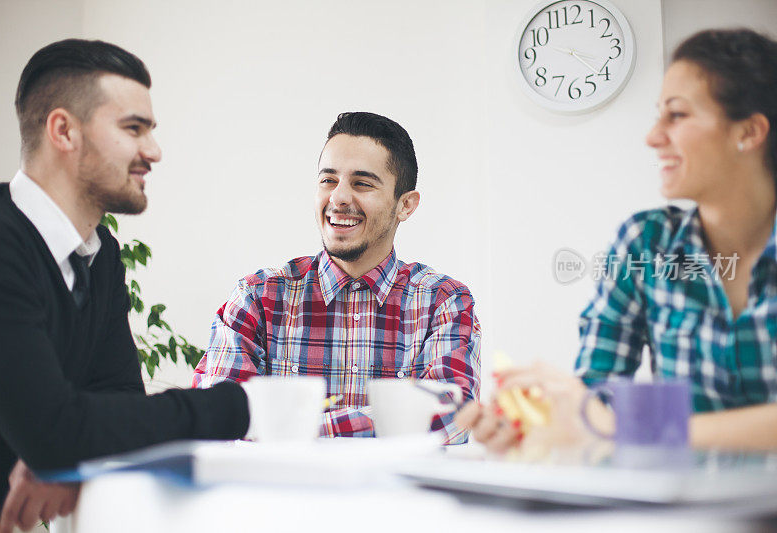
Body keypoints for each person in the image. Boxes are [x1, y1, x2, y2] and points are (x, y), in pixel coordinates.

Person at [457, 28, 777, 452]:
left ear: (749, 132)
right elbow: (595, 401)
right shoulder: (645, 243)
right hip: (686, 513)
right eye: (657, 114)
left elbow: (608, 425)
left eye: (677, 115)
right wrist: (533, 424)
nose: (652, 136)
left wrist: (621, 427)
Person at [0, 39, 252, 532]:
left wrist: (73, 452)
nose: (154, 151)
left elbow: (113, 403)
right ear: (63, 130)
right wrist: (238, 404)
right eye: (133, 129)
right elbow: (57, 433)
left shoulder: (100, 255)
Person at [193, 112, 480, 444]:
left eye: (362, 183)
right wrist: (394, 423)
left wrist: (292, 427)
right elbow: (217, 419)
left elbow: (451, 418)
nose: (339, 197)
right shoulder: (257, 297)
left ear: (405, 205)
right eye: (328, 180)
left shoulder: (443, 301)